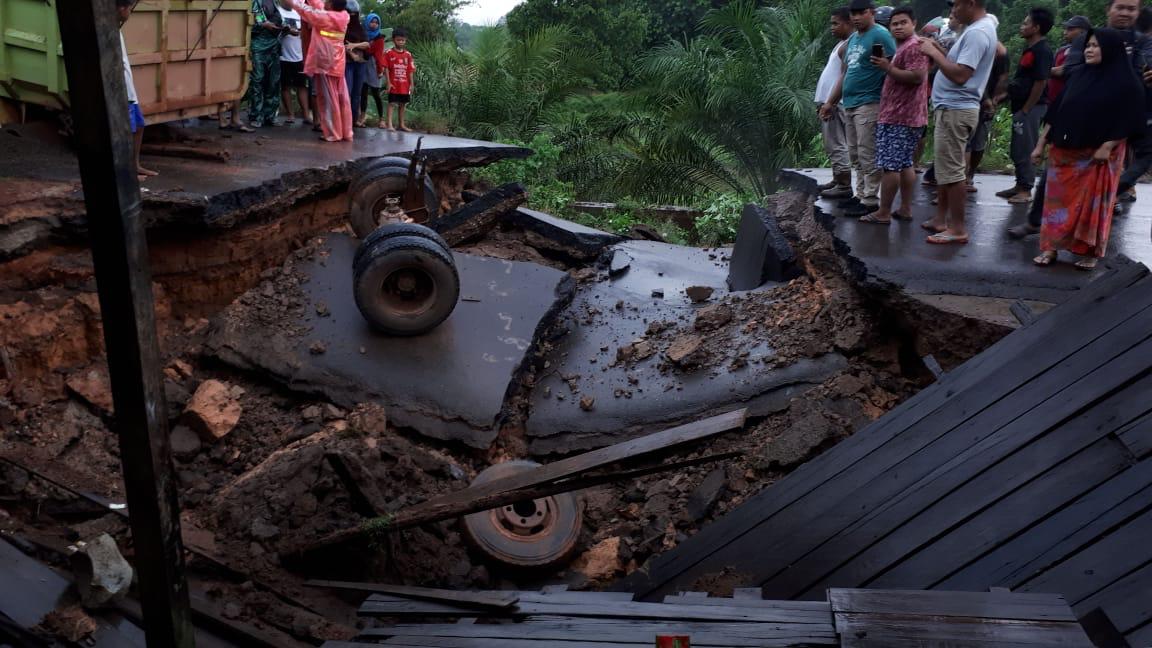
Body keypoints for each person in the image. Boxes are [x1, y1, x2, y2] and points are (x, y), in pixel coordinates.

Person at [1010, 1, 1152, 238]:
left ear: (1138, 12)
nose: (1126, 13)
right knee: (1055, 172)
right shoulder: (1087, 40)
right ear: (1109, 9)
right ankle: (1037, 221)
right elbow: (1072, 71)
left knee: (1111, 178)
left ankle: (1094, 228)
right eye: (1121, 7)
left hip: (1124, 120)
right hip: (1085, 116)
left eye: (1131, 8)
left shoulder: (1143, 43)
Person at [1031, 29, 1144, 270]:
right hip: (1065, 152)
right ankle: (1051, 248)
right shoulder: (1078, 74)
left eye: (1095, 45)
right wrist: (1041, 143)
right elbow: (1057, 111)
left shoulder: (1127, 82)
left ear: (1111, 49)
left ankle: (1089, 251)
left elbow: (1130, 118)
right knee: (1057, 204)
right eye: (1088, 45)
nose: (1088, 50)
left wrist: (1108, 145)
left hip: (1099, 156)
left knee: (1094, 206)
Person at [917, 0, 997, 245]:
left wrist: (932, 53)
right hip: (949, 107)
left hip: (957, 108)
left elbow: (962, 75)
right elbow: (957, 64)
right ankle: (941, 219)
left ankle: (958, 228)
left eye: (956, 4)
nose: (952, 9)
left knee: (952, 172)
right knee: (944, 168)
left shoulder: (977, 33)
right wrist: (938, 49)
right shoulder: (975, 29)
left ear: (971, 3)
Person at [819, 0, 897, 217]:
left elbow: (892, 65)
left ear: (871, 13)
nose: (856, 17)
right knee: (854, 153)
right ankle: (860, 194)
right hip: (850, 102)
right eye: (853, 13)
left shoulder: (880, 35)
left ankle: (870, 199)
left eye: (860, 13)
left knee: (867, 151)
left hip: (870, 102)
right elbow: (844, 73)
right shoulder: (854, 38)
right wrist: (830, 102)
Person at [863, 6, 929, 224]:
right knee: (905, 163)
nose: (899, 27)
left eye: (903, 22)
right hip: (905, 116)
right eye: (895, 23)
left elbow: (917, 76)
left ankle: (883, 212)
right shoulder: (907, 46)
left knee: (891, 166)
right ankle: (905, 208)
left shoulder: (913, 46)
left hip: (900, 117)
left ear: (914, 24)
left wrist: (887, 67)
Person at [995, 7, 1054, 204]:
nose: (1022, 26)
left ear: (1036, 28)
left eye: (1026, 23)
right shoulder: (1030, 48)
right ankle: (1019, 184)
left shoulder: (1042, 51)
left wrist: (1027, 108)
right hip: (1022, 107)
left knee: (1026, 147)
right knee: (1018, 148)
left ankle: (1026, 189)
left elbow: (1040, 82)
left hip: (1031, 108)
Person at [289, 0, 353, 142]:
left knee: (328, 100)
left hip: (325, 62)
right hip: (338, 62)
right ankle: (345, 131)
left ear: (331, 4)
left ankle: (332, 133)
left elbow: (305, 10)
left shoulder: (325, 18)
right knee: (341, 98)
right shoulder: (344, 15)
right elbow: (318, 7)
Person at [815, 7, 855, 200]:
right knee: (831, 143)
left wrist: (831, 101)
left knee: (837, 143)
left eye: (836, 23)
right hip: (831, 102)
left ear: (848, 23)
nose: (832, 27)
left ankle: (844, 185)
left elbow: (846, 74)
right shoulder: (841, 43)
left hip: (836, 103)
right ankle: (837, 179)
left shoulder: (848, 45)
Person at [116, 0, 156, 180]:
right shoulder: (109, 31)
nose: (130, 13)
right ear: (121, 8)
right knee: (126, 130)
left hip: (128, 88)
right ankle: (125, 172)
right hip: (122, 90)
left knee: (139, 126)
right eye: (130, 9)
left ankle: (135, 165)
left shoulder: (116, 28)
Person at [966, 42, 1008, 190]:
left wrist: (994, 100)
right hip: (971, 99)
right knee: (966, 142)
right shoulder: (974, 49)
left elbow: (1003, 78)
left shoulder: (1001, 54)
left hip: (985, 101)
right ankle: (962, 177)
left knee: (978, 142)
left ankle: (969, 174)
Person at [246, 0, 285, 128]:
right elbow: (251, 23)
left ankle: (270, 115)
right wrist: (263, 25)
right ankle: (256, 115)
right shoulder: (254, 2)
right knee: (257, 81)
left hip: (274, 45)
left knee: (273, 82)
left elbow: (280, 19)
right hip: (258, 45)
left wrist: (285, 28)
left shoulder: (275, 2)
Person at [278, 0, 311, 124]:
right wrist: (286, 30)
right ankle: (290, 115)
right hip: (283, 56)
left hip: (299, 56)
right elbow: (275, 30)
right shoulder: (278, 12)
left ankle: (306, 115)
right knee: (285, 86)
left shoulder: (298, 14)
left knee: (302, 86)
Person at [343, 0, 371, 127]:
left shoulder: (360, 28)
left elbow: (366, 44)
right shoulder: (343, 26)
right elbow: (340, 43)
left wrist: (354, 45)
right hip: (348, 62)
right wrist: (351, 53)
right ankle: (345, 120)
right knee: (347, 91)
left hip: (360, 63)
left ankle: (354, 120)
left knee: (357, 93)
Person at [383, 28, 417, 132]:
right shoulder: (388, 53)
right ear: (394, 40)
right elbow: (386, 68)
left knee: (403, 104)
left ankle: (401, 124)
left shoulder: (408, 55)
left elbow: (410, 70)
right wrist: (388, 82)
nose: (401, 42)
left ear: (405, 40)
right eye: (398, 40)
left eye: (403, 40)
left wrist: (412, 84)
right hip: (394, 84)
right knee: (392, 103)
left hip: (404, 85)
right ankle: (389, 124)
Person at [361, 14, 388, 128]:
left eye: (376, 22)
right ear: (367, 22)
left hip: (374, 65)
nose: (374, 24)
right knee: (363, 92)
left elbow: (378, 55)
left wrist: (380, 70)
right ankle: (362, 117)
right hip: (362, 64)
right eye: (372, 22)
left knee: (376, 93)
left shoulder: (379, 37)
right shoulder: (362, 34)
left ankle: (382, 119)